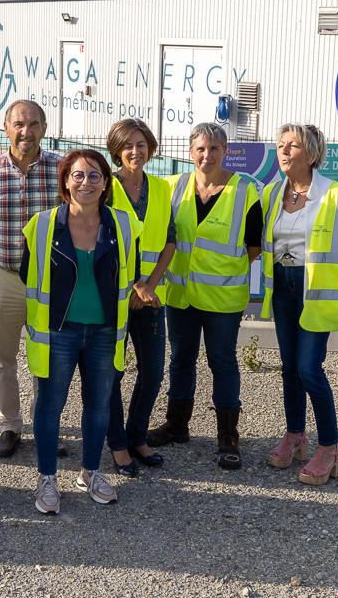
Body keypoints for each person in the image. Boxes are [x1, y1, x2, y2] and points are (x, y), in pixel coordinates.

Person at [21, 149, 140, 514]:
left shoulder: (123, 223)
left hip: (104, 332)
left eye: (94, 176)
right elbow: (29, 276)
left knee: (98, 406)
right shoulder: (41, 225)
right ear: (65, 182)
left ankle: (90, 472)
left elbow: (130, 274)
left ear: (106, 183)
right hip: (59, 332)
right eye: (77, 175)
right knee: (50, 406)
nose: (85, 182)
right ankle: (46, 478)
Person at [149, 122, 262, 470]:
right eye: (200, 148)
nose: (207, 155)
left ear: (226, 152)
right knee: (180, 358)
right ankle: (177, 424)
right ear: (190, 151)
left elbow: (253, 246)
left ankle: (228, 436)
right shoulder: (173, 186)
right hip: (181, 295)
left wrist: (221, 270)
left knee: (222, 362)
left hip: (222, 299)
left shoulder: (246, 191)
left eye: (214, 149)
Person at [260, 123, 338, 486]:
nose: (284, 151)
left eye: (294, 145)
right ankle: (295, 435)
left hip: (315, 289)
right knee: (289, 367)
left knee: (309, 369)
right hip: (283, 287)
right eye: (281, 145)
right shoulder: (271, 193)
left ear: (313, 153)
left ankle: (330, 447)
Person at [0, 99, 64, 458]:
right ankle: (9, 425)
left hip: (49, 281)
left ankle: (46, 426)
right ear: (6, 128)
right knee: (2, 357)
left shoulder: (61, 169)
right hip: (4, 276)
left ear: (44, 128)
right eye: (19, 124)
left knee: (49, 359)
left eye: (34, 124)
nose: (26, 131)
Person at [104, 119, 175, 477]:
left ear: (151, 147)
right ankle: (117, 443)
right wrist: (133, 285)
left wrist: (149, 284)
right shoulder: (105, 186)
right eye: (128, 145)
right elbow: (99, 239)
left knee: (152, 372)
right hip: (113, 299)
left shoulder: (161, 188)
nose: (136, 151)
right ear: (116, 149)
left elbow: (170, 240)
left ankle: (137, 435)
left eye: (142, 143)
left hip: (151, 298)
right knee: (113, 373)